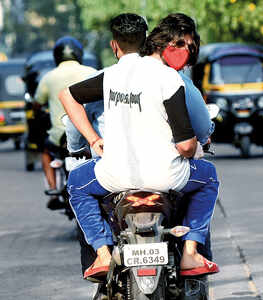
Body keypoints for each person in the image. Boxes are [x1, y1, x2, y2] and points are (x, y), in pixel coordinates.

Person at [60, 13, 219, 281]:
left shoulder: (109, 76)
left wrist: (93, 140)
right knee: (209, 176)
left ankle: (101, 253)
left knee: (76, 182)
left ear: (114, 46)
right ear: (147, 41)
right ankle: (190, 252)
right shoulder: (169, 78)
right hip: (166, 178)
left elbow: (67, 95)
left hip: (114, 177)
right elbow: (185, 145)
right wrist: (193, 150)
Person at [33, 36, 97, 210]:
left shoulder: (49, 77)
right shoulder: (91, 71)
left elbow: (37, 102)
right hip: (88, 133)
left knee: (45, 152)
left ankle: (53, 187)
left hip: (60, 136)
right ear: (79, 53)